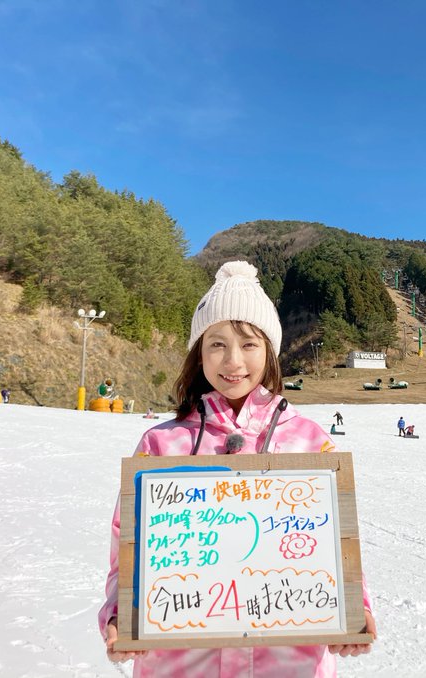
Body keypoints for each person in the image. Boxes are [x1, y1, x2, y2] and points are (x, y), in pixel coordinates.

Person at [99, 261, 376, 674]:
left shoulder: (309, 441)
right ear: (198, 353)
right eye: (216, 344)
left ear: (270, 351)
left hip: (287, 663)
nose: (233, 361)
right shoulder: (161, 444)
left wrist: (354, 610)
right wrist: (122, 617)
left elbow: (334, 541)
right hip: (180, 663)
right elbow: (129, 546)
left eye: (249, 344)